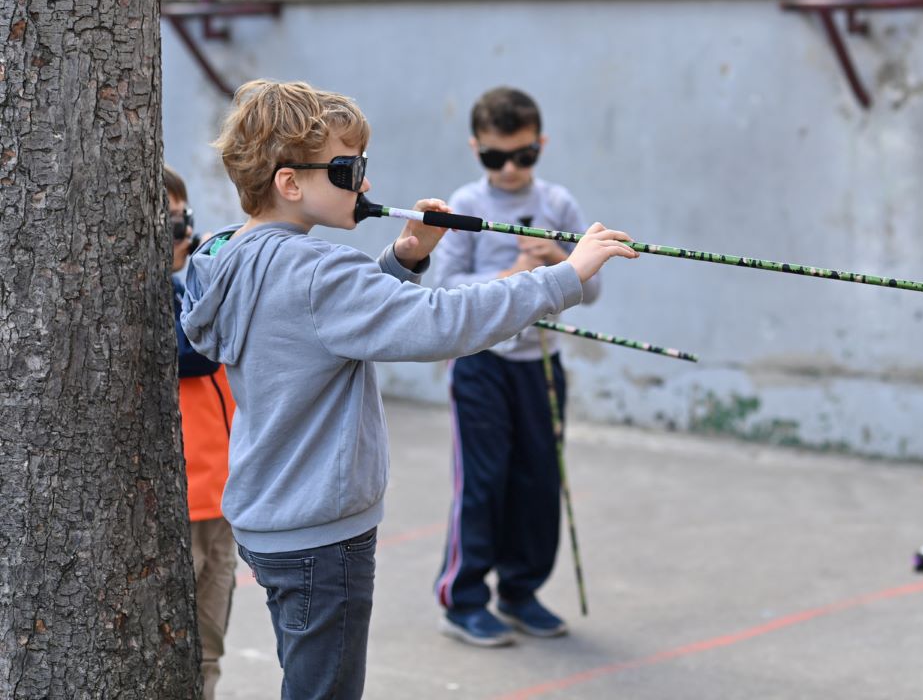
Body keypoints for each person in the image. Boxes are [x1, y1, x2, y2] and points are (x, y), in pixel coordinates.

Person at [179, 79, 636, 700]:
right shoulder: (318, 271)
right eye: (348, 169)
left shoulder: (227, 257)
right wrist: (564, 275)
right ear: (290, 183)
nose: (363, 184)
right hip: (321, 531)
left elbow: (320, 327)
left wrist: (405, 258)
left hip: (272, 519)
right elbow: (444, 323)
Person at [431, 87, 598, 647]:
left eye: (523, 156)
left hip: (539, 365)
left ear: (540, 146)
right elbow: (445, 288)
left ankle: (521, 591)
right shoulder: (463, 203)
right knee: (482, 481)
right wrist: (513, 277)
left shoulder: (559, 205)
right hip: (481, 366)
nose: (508, 169)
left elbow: (590, 289)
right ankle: (464, 598)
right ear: (476, 148)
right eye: (494, 158)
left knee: (539, 479)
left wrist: (558, 262)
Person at [165, 165, 237, 700]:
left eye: (183, 221)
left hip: (224, 495)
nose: (184, 237)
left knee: (209, 644)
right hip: (179, 503)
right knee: (171, 641)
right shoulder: (169, 295)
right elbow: (194, 356)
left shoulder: (191, 281)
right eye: (169, 229)